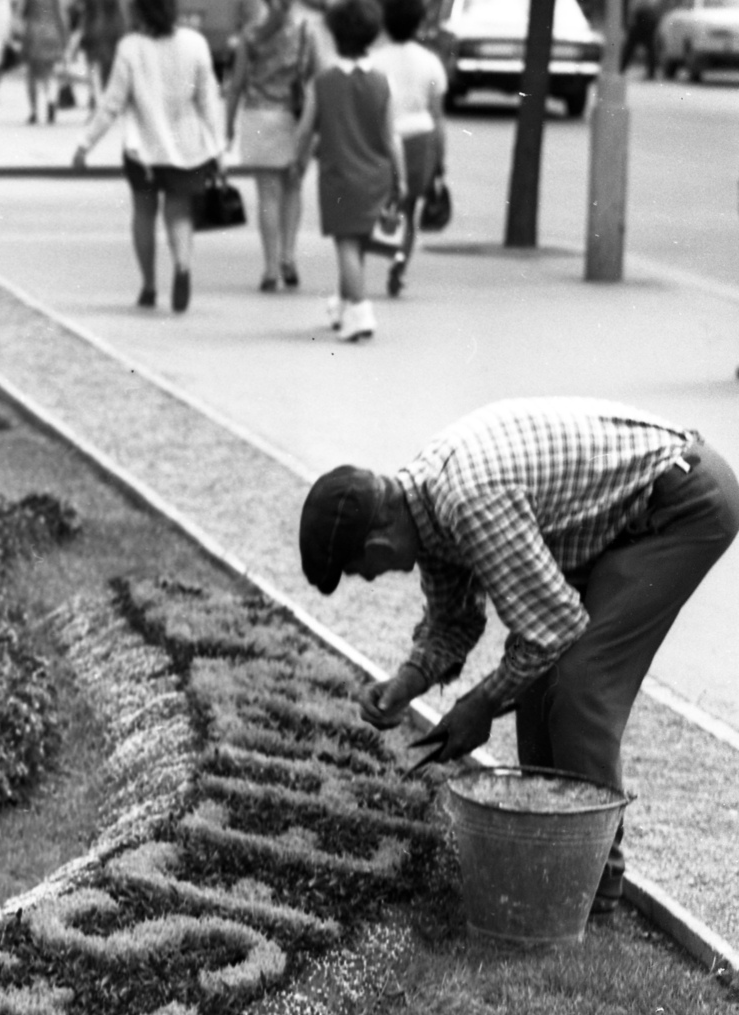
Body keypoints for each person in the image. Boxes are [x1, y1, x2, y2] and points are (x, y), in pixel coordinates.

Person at [298, 397, 739, 916]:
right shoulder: (421, 507)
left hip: (682, 502)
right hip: (623, 516)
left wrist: (479, 706)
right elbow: (454, 621)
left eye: (360, 570)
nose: (369, 578)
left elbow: (554, 630)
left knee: (580, 685)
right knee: (536, 681)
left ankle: (594, 887)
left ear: (375, 543)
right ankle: (559, 854)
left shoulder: (468, 501)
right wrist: (405, 684)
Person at [72, 0, 225, 312]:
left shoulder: (130, 47)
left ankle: (149, 286)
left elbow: (112, 104)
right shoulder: (195, 43)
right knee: (179, 213)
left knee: (144, 214)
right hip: (188, 148)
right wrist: (218, 147)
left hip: (142, 148)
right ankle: (182, 265)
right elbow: (209, 100)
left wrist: (84, 144)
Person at [293, 0, 404, 342]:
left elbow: (305, 131)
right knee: (357, 245)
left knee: (345, 244)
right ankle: (343, 304)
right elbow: (391, 136)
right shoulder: (383, 82)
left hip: (339, 175)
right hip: (377, 174)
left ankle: (360, 311)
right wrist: (402, 178)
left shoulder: (323, 83)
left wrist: (297, 163)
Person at [223, 0, 320, 292]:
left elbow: (237, 85)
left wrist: (227, 125)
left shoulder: (250, 35)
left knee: (267, 195)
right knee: (293, 188)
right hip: (295, 117)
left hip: (258, 116)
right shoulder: (306, 31)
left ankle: (270, 269)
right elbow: (315, 77)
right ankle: (288, 256)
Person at [369, 0, 445, 297]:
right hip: (419, 139)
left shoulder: (374, 60)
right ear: (417, 25)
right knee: (409, 208)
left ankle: (363, 256)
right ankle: (399, 266)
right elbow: (438, 116)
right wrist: (441, 158)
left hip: (381, 140)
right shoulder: (430, 62)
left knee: (375, 205)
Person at [22, 0, 72, 122]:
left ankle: (34, 111)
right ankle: (51, 100)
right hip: (52, 32)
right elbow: (61, 16)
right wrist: (65, 38)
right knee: (50, 72)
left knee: (32, 74)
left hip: (34, 33)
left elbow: (24, 14)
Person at [78, 0, 131, 94]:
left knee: (97, 65)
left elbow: (86, 13)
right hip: (110, 29)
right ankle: (102, 93)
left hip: (96, 29)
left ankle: (96, 92)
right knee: (108, 66)